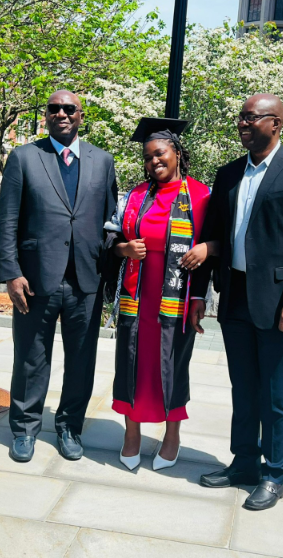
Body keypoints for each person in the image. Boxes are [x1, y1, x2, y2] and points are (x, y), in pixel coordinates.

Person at [189, 94, 283, 510]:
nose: (243, 124)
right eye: (241, 118)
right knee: (244, 386)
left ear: (277, 123)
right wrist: (199, 294)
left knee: (275, 390)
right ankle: (244, 462)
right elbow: (213, 237)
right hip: (234, 297)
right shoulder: (228, 174)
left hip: (278, 301)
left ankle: (275, 473)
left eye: (252, 118)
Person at [0, 90, 117, 462]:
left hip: (86, 278)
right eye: (54, 109)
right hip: (34, 280)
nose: (62, 114)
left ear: (81, 115)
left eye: (69, 109)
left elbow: (111, 220)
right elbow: (7, 222)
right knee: (31, 357)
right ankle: (25, 428)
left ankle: (69, 426)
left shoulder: (103, 161)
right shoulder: (23, 158)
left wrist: (112, 266)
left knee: (82, 359)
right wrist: (11, 273)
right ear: (47, 115)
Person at [104, 117, 215, 471]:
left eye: (161, 153)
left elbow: (216, 245)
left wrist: (206, 256)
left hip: (176, 299)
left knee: (172, 364)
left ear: (178, 153)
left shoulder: (200, 195)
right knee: (131, 363)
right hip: (136, 297)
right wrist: (123, 249)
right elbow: (110, 237)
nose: (154, 161)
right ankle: (132, 433)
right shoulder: (135, 195)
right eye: (149, 156)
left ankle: (172, 435)